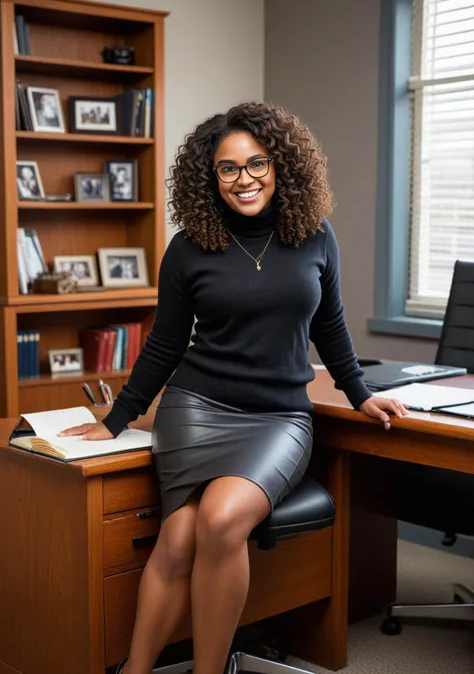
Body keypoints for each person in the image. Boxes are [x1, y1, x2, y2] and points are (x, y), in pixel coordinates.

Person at [59, 102, 408, 674]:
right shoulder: (189, 247)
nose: (244, 179)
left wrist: (359, 392)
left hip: (278, 418)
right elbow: (165, 345)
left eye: (256, 163)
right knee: (176, 542)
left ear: (280, 166)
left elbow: (331, 325)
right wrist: (115, 419)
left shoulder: (314, 235)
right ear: (210, 177)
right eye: (228, 168)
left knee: (220, 520)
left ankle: (209, 670)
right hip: (197, 408)